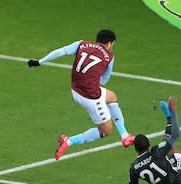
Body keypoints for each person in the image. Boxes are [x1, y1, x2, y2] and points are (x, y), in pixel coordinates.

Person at [27, 29, 135, 160]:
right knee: (106, 131)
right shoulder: (109, 57)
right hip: (91, 96)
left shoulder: (81, 44)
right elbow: (104, 80)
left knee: (111, 96)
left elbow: (60, 51)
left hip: (75, 90)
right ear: (110, 43)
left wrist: (39, 61)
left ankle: (125, 135)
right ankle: (69, 141)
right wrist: (93, 77)